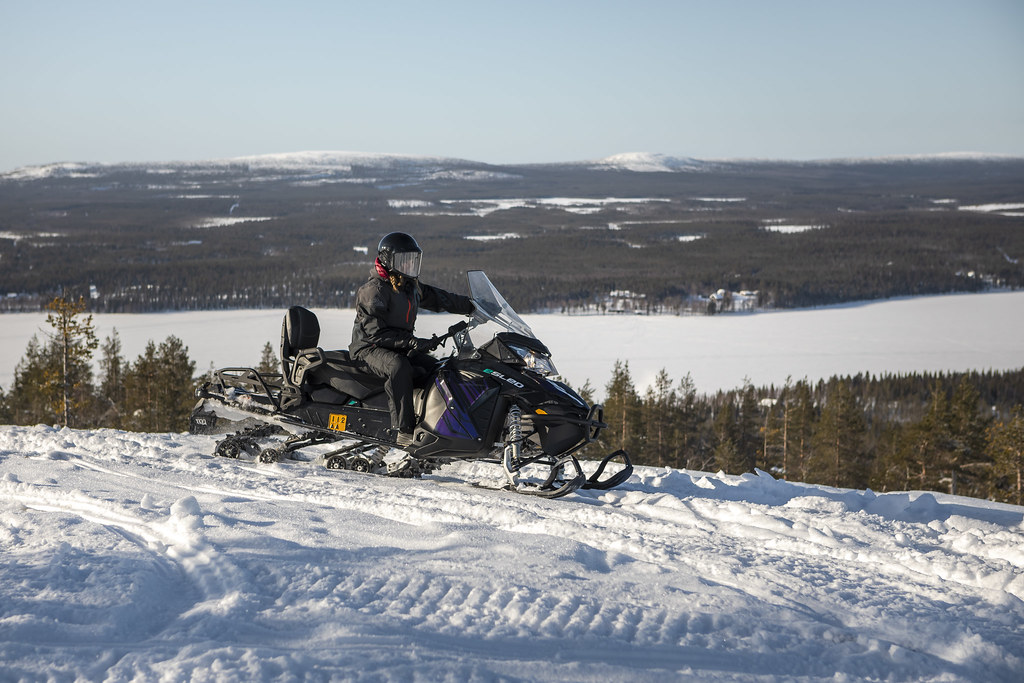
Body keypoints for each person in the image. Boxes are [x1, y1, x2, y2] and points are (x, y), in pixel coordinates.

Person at [350, 232, 475, 448]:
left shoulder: (409, 286)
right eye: (404, 260)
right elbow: (375, 334)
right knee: (398, 366)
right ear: (389, 261)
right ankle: (403, 430)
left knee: (436, 368)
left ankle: (437, 423)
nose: (409, 264)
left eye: (412, 259)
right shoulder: (374, 291)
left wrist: (472, 306)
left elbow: (439, 298)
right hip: (369, 349)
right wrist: (413, 343)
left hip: (397, 345)